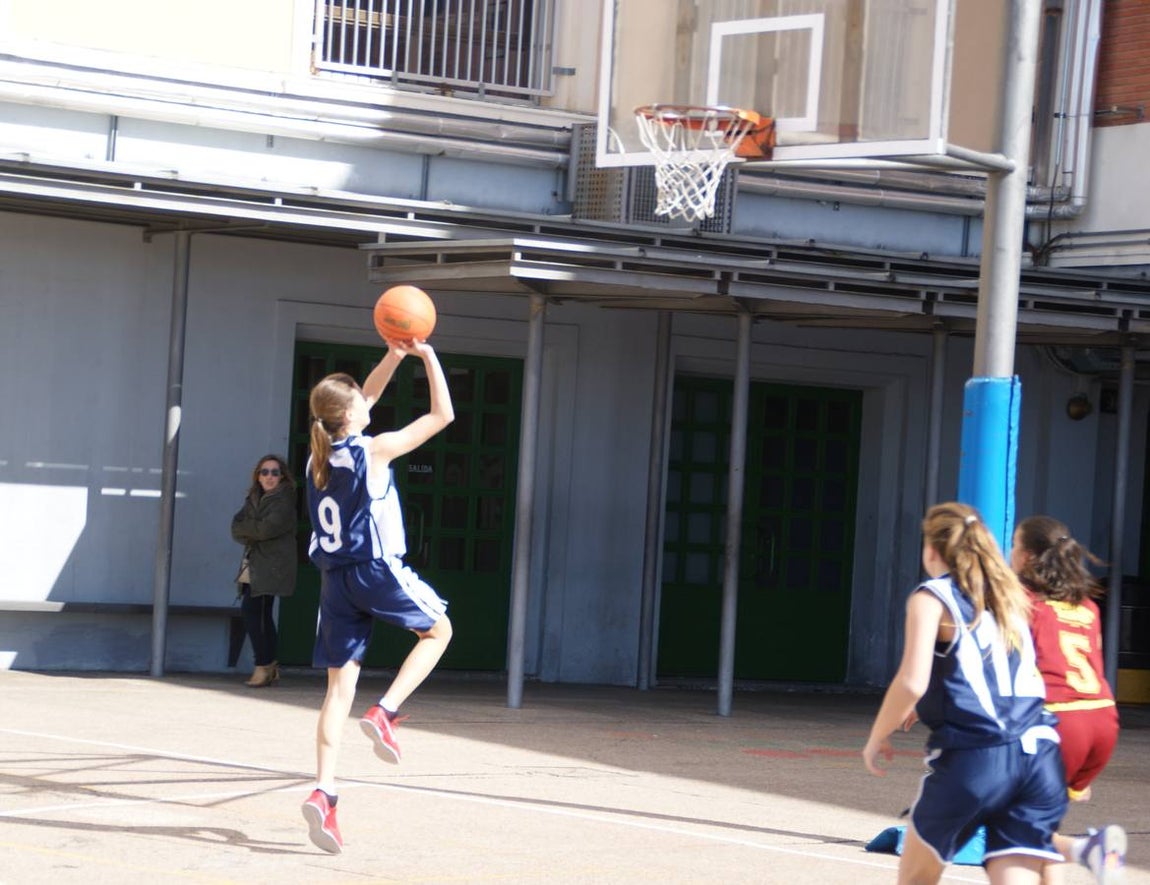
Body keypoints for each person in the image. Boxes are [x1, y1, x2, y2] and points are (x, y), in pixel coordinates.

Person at [300, 339, 454, 855]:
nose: (371, 403)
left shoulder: (315, 460)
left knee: (335, 693)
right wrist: (427, 356)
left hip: (333, 580)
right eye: (362, 403)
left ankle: (324, 791)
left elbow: (361, 397)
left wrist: (394, 353)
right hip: (375, 570)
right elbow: (442, 414)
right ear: (351, 414)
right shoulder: (374, 449)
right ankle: (386, 712)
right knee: (439, 631)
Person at [862, 502, 1068, 885]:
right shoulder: (1010, 596)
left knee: (915, 878)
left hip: (978, 756)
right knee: (1013, 876)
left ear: (932, 550)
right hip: (1040, 754)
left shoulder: (932, 597)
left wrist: (877, 736)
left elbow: (912, 680)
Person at [1010, 515, 1126, 884]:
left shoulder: (1025, 602)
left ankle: (1086, 849)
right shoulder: (1086, 606)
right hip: (1102, 720)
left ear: (1027, 557)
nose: (1009, 553)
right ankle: (1081, 853)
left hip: (1058, 721)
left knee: (1010, 827)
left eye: (1013, 546)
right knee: (1041, 823)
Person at [230, 453, 298, 688]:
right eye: (264, 472)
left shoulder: (284, 500)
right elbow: (235, 526)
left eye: (274, 472)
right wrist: (252, 528)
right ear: (258, 476)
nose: (269, 477)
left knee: (254, 611)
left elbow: (264, 530)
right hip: (255, 563)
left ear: (282, 477)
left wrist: (251, 529)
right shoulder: (254, 497)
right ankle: (269, 666)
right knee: (259, 614)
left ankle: (263, 665)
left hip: (272, 565)